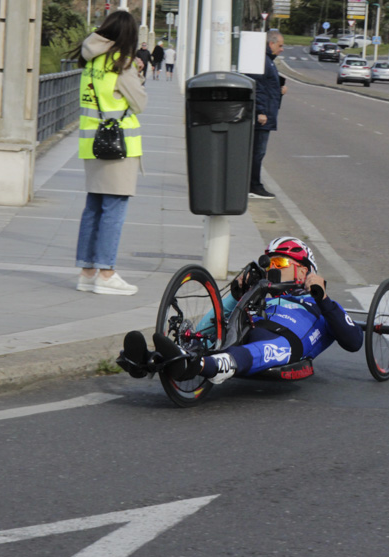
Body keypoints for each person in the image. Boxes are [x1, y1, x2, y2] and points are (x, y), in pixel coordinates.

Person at [119, 237, 363, 383]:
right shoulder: (264, 298)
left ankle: (197, 367)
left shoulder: (322, 305)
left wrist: (324, 298)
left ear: (303, 271)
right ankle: (148, 360)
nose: (271, 268)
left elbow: (353, 341)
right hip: (250, 329)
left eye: (280, 263)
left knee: (257, 351)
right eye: (269, 263)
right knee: (208, 338)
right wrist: (237, 296)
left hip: (286, 344)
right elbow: (211, 326)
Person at [68, 11, 148, 295]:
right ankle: (106, 273)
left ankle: (87, 272)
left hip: (92, 143)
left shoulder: (91, 62)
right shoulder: (121, 65)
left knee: (94, 208)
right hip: (118, 147)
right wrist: (138, 73)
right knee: (114, 209)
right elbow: (139, 103)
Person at [246, 30, 286, 201]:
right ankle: (254, 185)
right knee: (257, 151)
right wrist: (261, 111)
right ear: (271, 44)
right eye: (280, 45)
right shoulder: (263, 62)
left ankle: (253, 183)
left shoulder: (268, 61)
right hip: (263, 115)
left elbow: (267, 88)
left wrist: (279, 91)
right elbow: (259, 88)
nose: (282, 49)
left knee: (258, 151)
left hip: (267, 112)